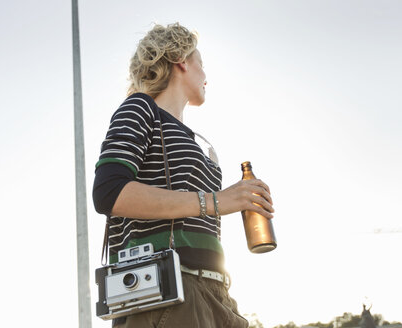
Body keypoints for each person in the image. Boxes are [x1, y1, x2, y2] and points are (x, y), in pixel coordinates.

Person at [93, 22, 275, 328]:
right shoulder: (139, 108)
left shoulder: (199, 142)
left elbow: (196, 210)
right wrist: (215, 201)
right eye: (200, 64)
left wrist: (233, 200)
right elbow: (109, 192)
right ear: (181, 61)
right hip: (168, 297)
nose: (206, 76)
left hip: (217, 293)